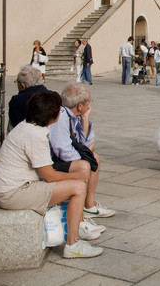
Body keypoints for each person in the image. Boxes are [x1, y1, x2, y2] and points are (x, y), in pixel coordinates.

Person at [0, 91, 103, 259]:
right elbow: (49, 176)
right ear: (55, 114)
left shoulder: (26, 126)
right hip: (14, 193)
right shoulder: (35, 134)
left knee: (77, 178)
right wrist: (76, 178)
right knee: (78, 187)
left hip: (14, 187)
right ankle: (73, 244)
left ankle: (78, 227)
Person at [48, 83, 115, 220]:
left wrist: (85, 119)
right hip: (50, 162)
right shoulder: (61, 117)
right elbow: (63, 150)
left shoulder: (73, 116)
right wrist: (84, 157)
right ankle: (78, 216)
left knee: (94, 158)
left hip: (61, 157)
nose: (90, 105)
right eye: (89, 102)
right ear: (80, 105)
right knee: (84, 165)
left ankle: (89, 205)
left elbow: (87, 143)